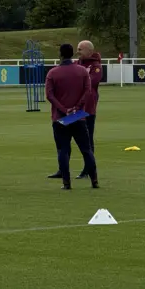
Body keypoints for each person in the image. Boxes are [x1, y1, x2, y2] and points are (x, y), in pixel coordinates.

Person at [44, 43, 98, 190]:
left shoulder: (53, 73)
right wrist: (77, 107)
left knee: (63, 150)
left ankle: (66, 183)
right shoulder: (82, 71)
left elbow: (49, 95)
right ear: (72, 54)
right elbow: (88, 91)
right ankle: (94, 180)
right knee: (86, 149)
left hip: (61, 117)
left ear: (60, 55)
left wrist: (63, 109)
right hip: (78, 115)